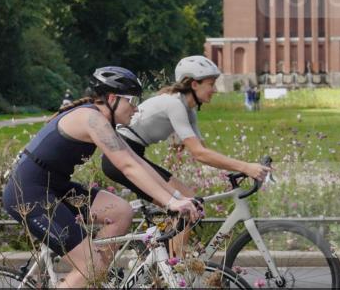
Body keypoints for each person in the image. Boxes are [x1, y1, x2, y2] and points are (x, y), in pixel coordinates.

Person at [3, 66, 201, 290]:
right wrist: (173, 203)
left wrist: (177, 199)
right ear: (111, 99)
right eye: (132, 102)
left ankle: (92, 285)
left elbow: (138, 164)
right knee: (90, 265)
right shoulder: (91, 119)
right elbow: (127, 166)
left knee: (120, 211)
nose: (136, 110)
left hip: (55, 187)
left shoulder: (101, 120)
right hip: (29, 192)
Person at [101, 56, 272, 256]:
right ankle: (177, 268)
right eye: (211, 84)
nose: (215, 90)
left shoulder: (188, 110)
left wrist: (237, 169)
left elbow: (204, 150)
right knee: (188, 204)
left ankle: (166, 262)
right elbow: (199, 154)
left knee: (188, 205)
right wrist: (245, 167)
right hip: (122, 155)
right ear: (194, 84)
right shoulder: (175, 104)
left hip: (132, 153)